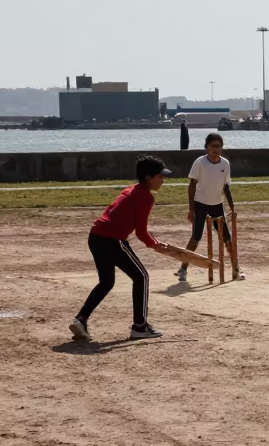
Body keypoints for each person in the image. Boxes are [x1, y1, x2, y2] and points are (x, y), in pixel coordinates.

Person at [69, 156, 172, 342]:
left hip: (95, 236)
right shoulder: (146, 197)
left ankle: (80, 320)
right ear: (149, 177)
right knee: (142, 277)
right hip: (111, 239)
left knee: (106, 282)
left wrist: (153, 242)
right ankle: (140, 326)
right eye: (160, 176)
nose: (163, 180)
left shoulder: (131, 189)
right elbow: (141, 232)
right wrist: (154, 245)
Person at [175, 133, 239, 282]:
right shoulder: (200, 163)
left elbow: (226, 186)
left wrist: (232, 206)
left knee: (227, 238)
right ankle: (183, 269)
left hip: (217, 204)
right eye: (213, 146)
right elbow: (191, 186)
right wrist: (191, 209)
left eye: (219, 146)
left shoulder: (225, 164)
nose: (216, 149)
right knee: (195, 237)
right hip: (200, 203)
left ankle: (236, 268)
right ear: (206, 147)